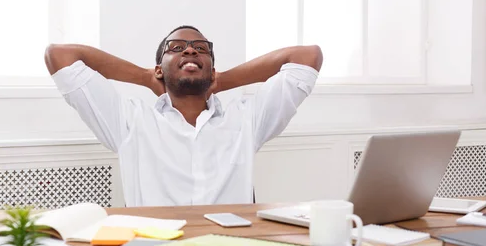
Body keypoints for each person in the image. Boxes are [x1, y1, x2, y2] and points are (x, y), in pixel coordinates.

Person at [45, 25, 322, 206]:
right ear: (159, 68)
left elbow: (307, 56)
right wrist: (145, 77)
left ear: (212, 69)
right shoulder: (129, 121)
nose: (190, 50)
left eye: (201, 49)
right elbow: (60, 55)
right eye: (176, 48)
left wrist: (222, 80)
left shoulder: (246, 119)